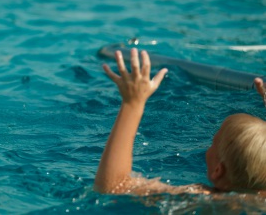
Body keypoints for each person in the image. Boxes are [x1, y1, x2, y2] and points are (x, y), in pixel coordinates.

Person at [95, 48, 266, 196]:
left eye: (213, 143)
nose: (209, 146)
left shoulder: (204, 198)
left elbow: (113, 187)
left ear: (217, 171)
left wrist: (132, 103)